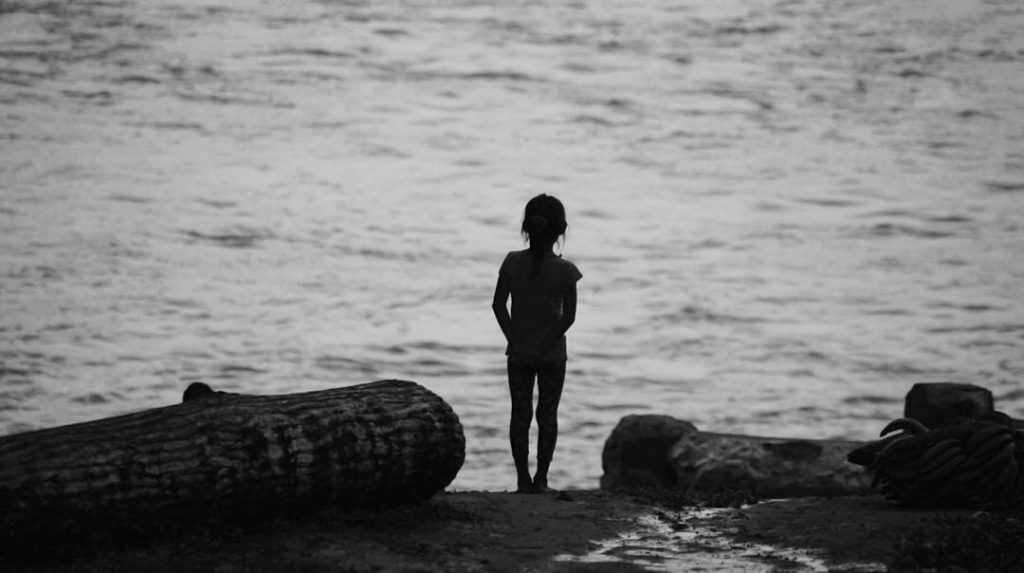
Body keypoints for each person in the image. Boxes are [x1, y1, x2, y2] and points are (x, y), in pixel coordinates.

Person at [492, 194, 583, 493]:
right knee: (547, 415)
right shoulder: (566, 271)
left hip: (518, 354)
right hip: (552, 355)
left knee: (520, 414)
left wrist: (517, 343)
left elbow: (498, 306)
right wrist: (542, 347)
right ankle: (541, 479)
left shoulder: (512, 262)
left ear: (526, 227)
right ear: (561, 230)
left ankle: (522, 479)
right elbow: (568, 317)